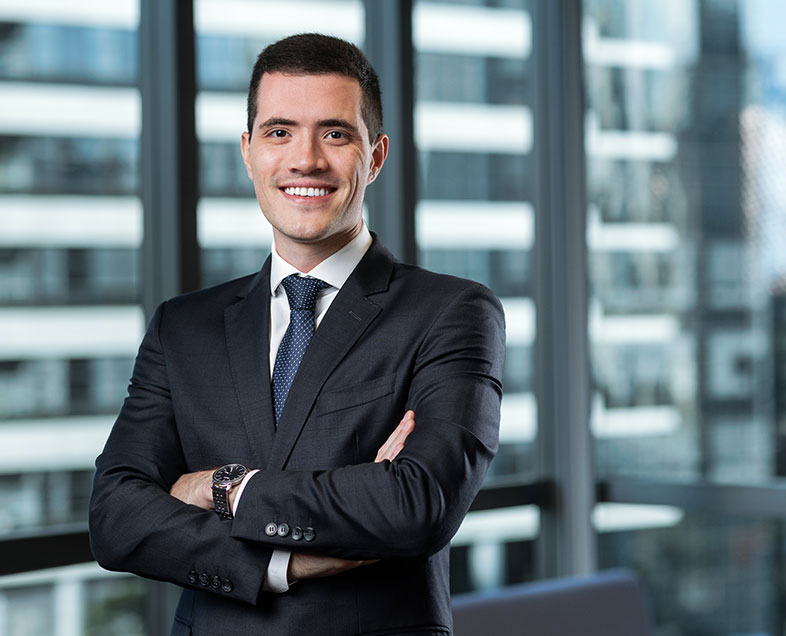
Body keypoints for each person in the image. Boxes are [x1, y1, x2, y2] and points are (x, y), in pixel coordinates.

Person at [89, 33, 505, 636]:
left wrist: (222, 486)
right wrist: (281, 563)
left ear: (377, 154)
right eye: (279, 132)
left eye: (335, 133)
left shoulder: (452, 312)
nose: (305, 159)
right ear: (248, 151)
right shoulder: (185, 327)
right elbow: (115, 517)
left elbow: (416, 505)